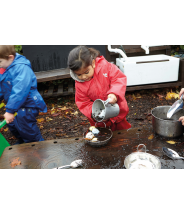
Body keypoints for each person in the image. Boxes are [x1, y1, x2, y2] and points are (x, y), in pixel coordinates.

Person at [68, 45, 131, 131]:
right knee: (103, 137)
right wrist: (95, 114)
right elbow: (83, 102)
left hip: (118, 113)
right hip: (100, 122)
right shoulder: (79, 85)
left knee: (124, 134)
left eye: (86, 72)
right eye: (79, 74)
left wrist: (114, 93)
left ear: (93, 63)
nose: (83, 77)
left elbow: (118, 78)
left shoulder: (106, 67)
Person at [0, 45, 47, 144]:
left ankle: (37, 146)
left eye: (0, 61)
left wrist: (10, 110)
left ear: (10, 57)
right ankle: (23, 142)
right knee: (13, 125)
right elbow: (2, 87)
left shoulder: (21, 68)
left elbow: (20, 90)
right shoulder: (5, 66)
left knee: (26, 128)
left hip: (27, 105)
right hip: (15, 106)